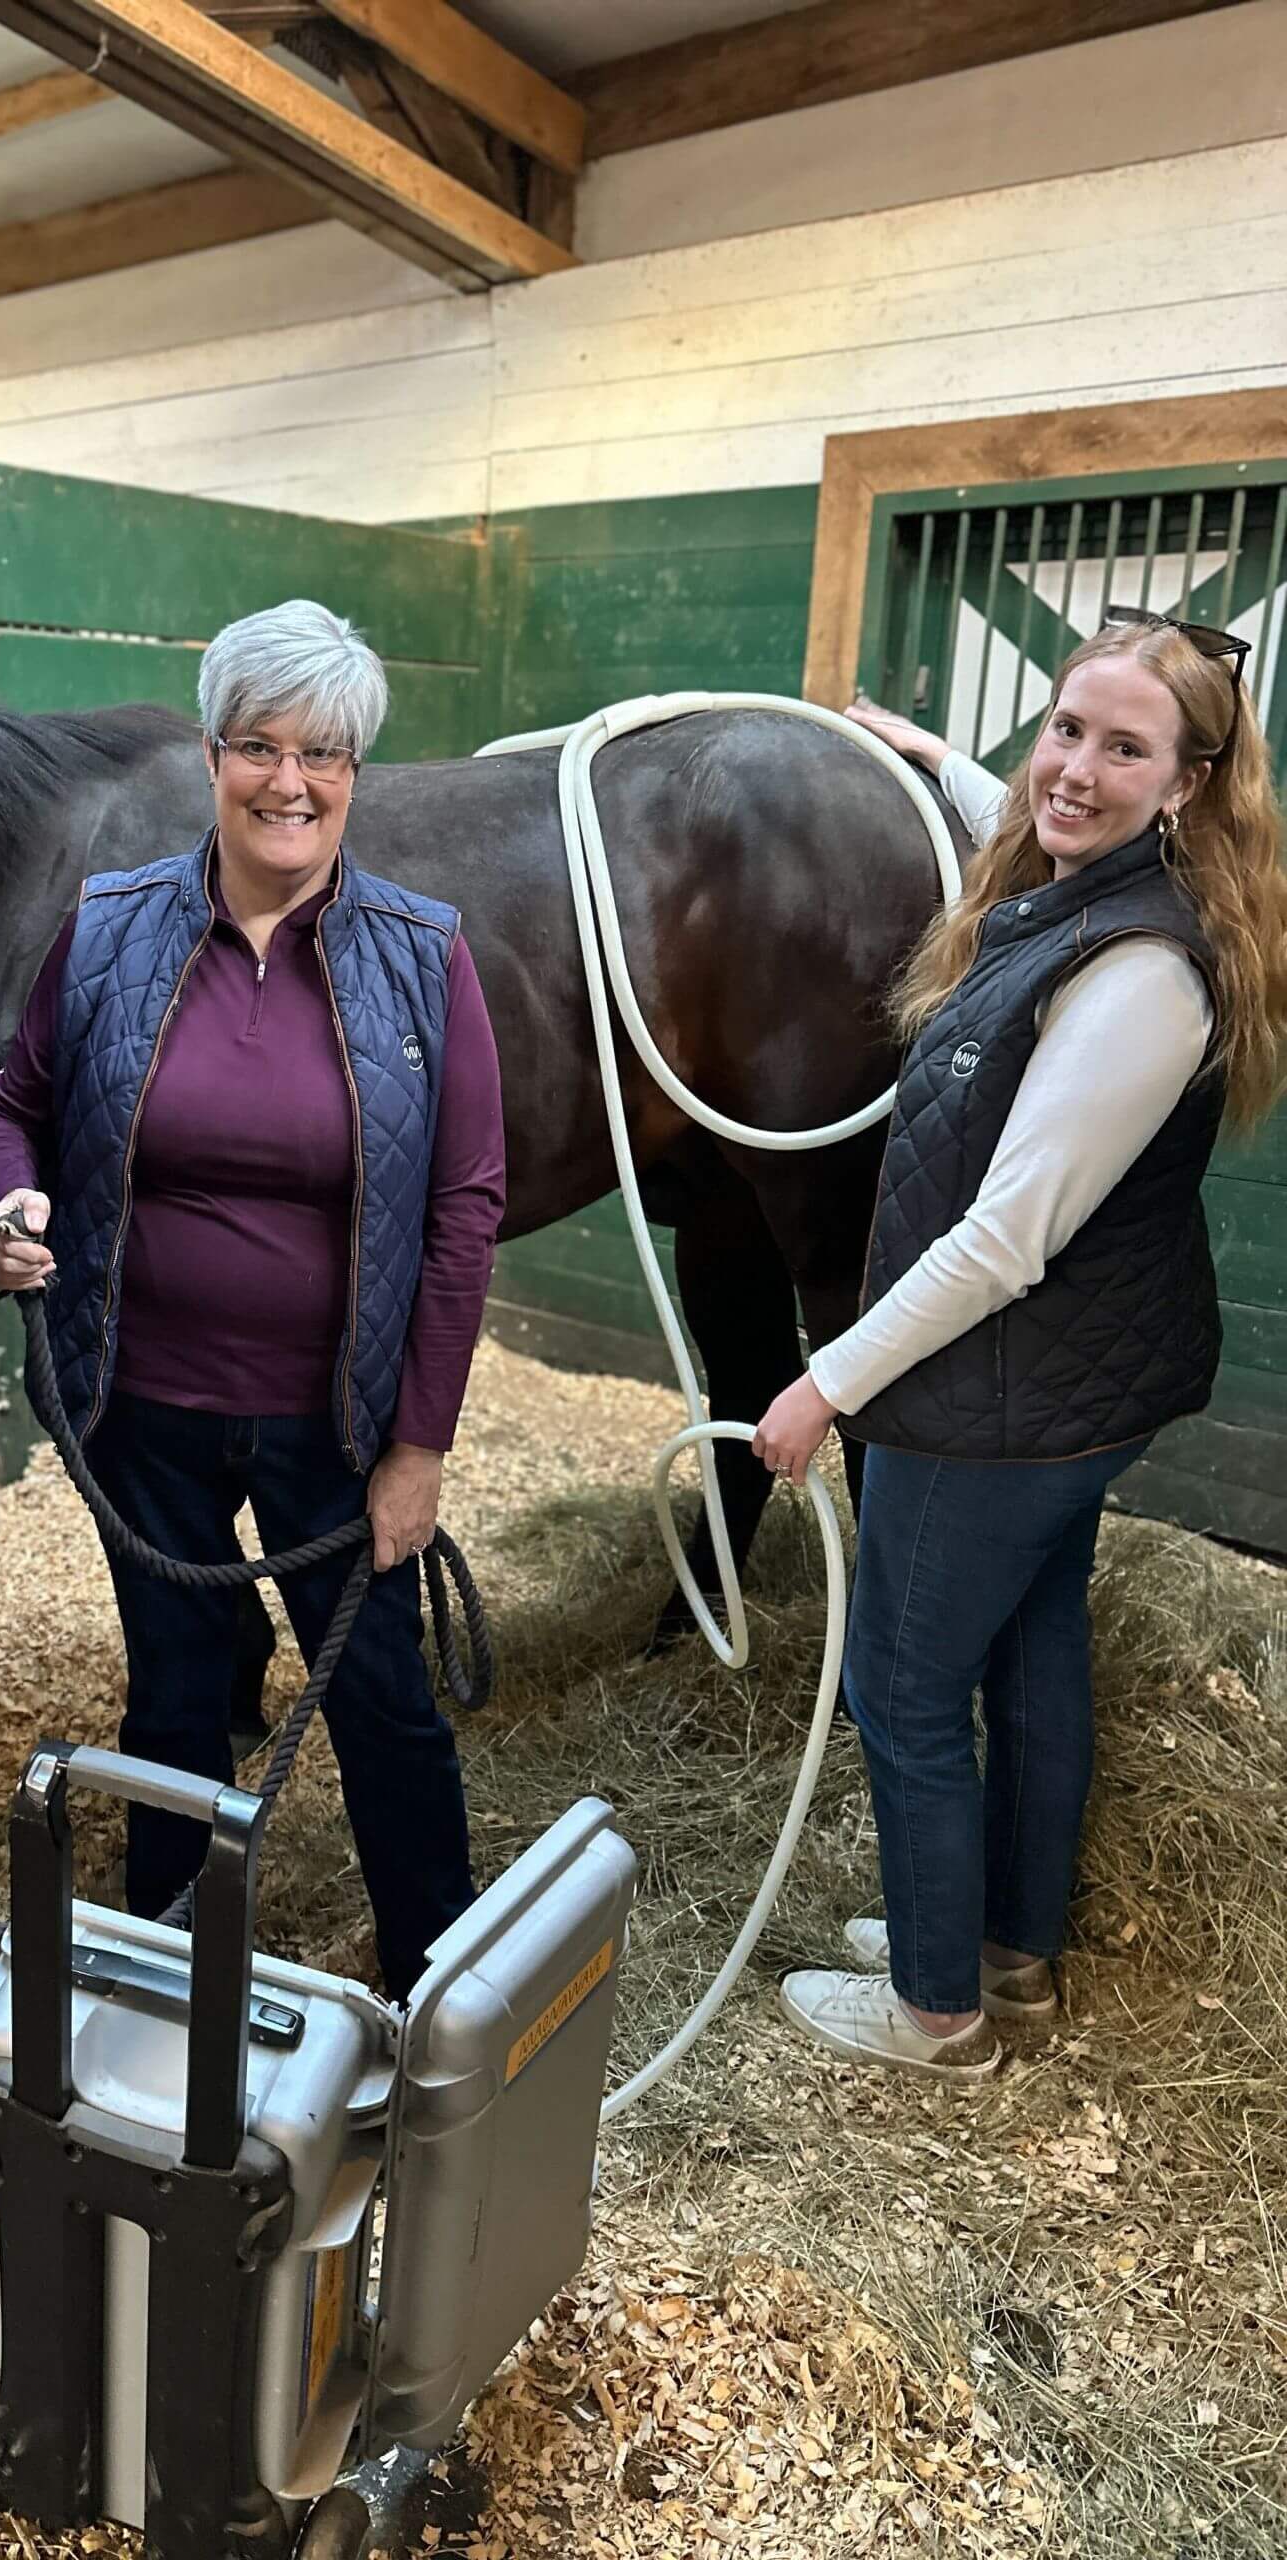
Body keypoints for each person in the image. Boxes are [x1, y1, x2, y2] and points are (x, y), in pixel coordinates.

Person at [755, 611, 1287, 2081]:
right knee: (1033, 1649)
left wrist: (824, 1382)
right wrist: (935, 755)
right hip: (1072, 1383)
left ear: (1187, 784)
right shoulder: (1118, 890)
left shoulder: (1141, 975)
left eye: (1126, 749)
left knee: (905, 1690)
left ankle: (938, 2015)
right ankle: (1010, 1956)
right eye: (1067, 729)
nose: (1075, 769)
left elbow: (1007, 1238)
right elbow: (1041, 801)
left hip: (1002, 1393)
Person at [0, 600, 506, 2004]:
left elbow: (463, 1210)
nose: (289, 781)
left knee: (383, 1697)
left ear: (356, 773)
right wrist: (12, 1203)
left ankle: (433, 1979)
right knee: (175, 1699)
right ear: (211, 755)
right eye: (258, 745)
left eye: (322, 752)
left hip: (339, 1422)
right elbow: (10, 1112)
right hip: (142, 1407)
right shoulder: (108, 930)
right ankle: (165, 1990)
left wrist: (420, 1446)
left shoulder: (424, 957)